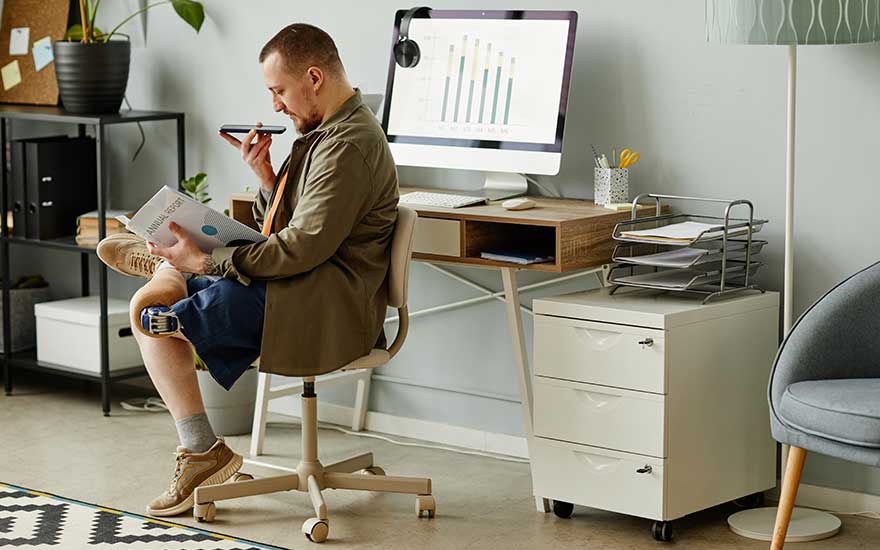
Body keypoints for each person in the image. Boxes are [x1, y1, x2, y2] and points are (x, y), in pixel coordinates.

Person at [96, 23, 399, 517]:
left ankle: (174, 269)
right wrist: (268, 179)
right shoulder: (323, 133)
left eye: (278, 90)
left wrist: (209, 260)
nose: (276, 105)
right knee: (152, 306)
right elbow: (290, 231)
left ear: (315, 77)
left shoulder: (347, 145)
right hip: (303, 286)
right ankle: (174, 274)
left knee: (157, 316)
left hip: (324, 305)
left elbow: (300, 248)